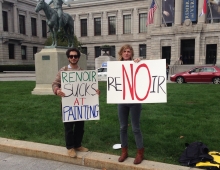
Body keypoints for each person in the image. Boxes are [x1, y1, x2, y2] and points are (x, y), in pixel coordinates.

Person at [52, 48, 100, 158]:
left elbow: (89, 87)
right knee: (68, 127)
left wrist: (96, 91)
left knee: (80, 126)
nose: (73, 58)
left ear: (78, 57)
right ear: (68, 58)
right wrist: (57, 90)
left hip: (80, 105)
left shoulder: (82, 72)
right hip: (67, 104)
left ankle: (78, 145)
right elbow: (55, 83)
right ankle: (70, 147)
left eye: (75, 56)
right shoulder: (63, 71)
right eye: (71, 56)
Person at [117, 44, 144, 165]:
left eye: (129, 51)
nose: (126, 53)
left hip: (135, 102)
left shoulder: (136, 64)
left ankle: (140, 152)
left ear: (131, 53)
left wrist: (138, 62)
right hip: (122, 101)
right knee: (122, 127)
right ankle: (124, 151)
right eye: (124, 51)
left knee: (135, 128)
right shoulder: (116, 66)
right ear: (121, 53)